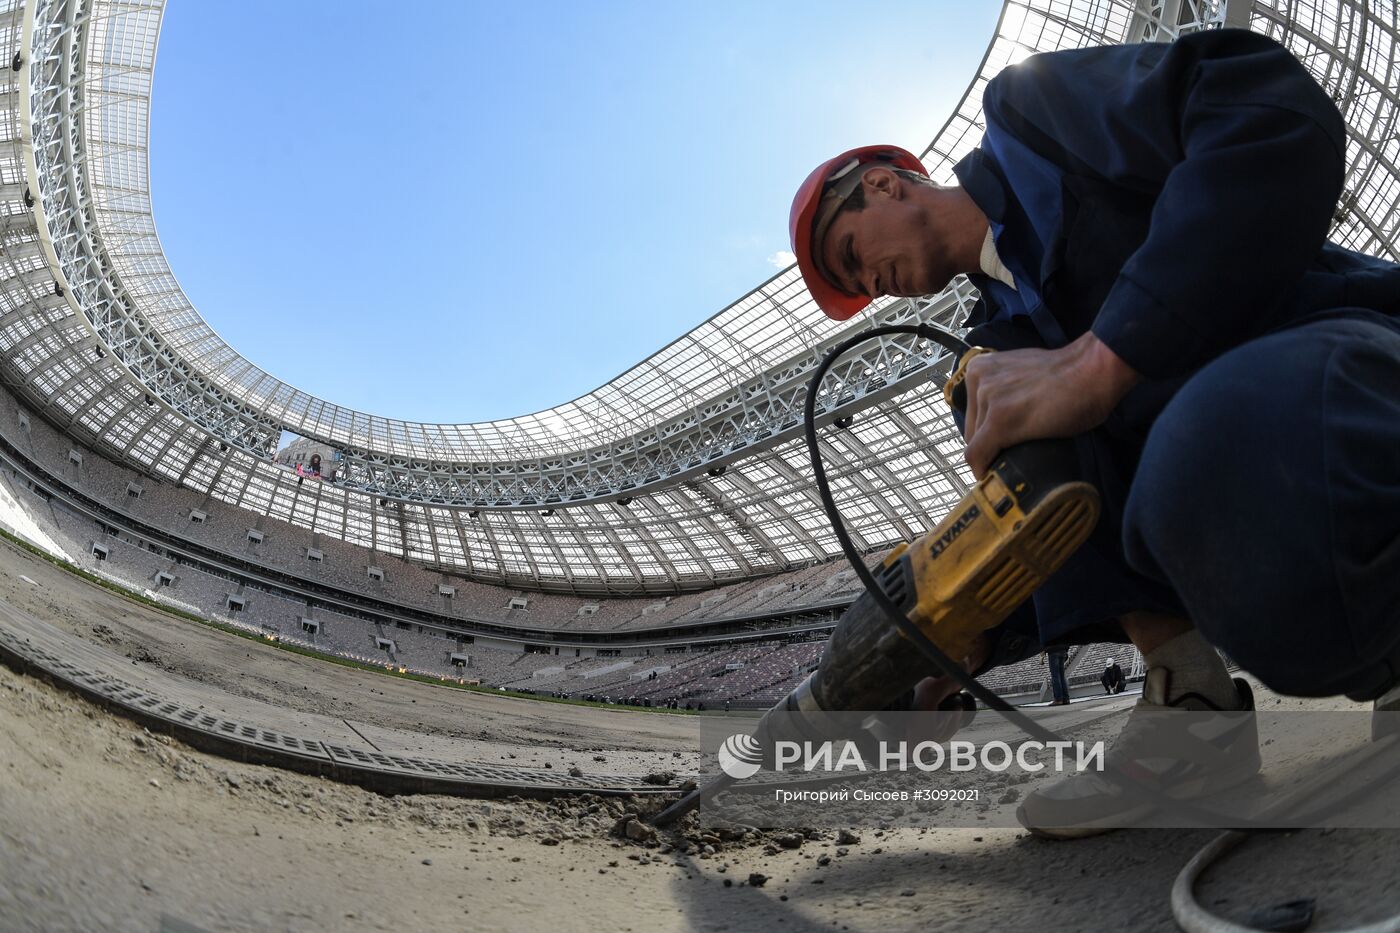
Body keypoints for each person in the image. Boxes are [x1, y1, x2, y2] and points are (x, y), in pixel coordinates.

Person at [789, 28, 1400, 836]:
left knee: (1206, 441)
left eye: (852, 254)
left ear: (883, 186)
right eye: (856, 286)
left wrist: (1101, 360)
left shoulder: (1032, 117)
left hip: (1352, 387)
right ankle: (1191, 711)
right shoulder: (998, 350)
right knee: (1005, 413)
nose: (871, 284)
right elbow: (1078, 517)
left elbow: (1259, 99)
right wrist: (962, 640)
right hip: (1252, 485)